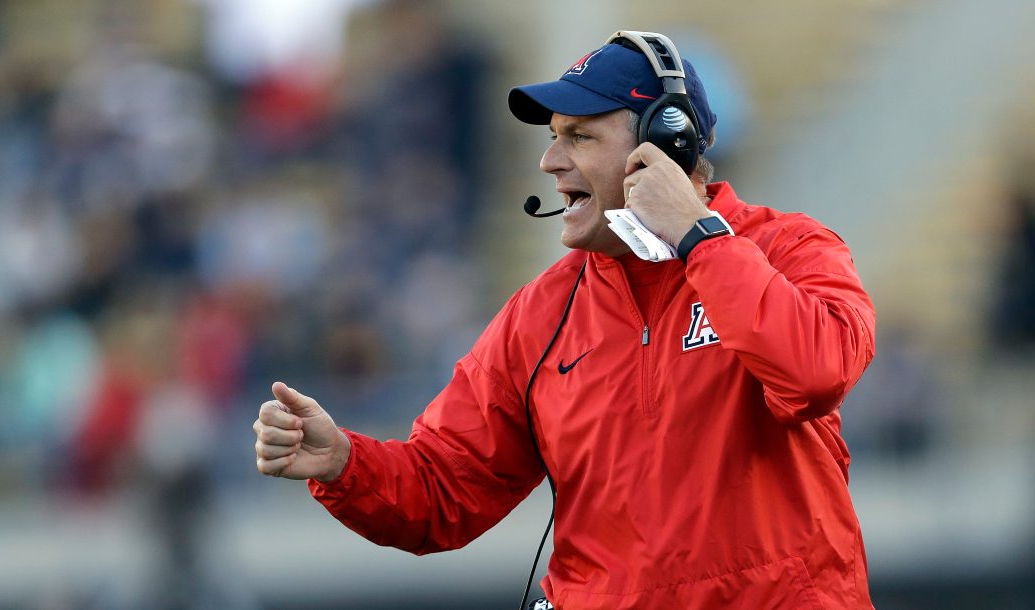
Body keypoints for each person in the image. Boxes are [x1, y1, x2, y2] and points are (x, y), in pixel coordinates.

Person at [253, 30, 876, 610]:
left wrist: (697, 238)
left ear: (665, 146)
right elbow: (446, 488)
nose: (550, 161)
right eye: (554, 136)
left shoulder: (791, 249)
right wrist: (344, 463)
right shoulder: (540, 314)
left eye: (579, 136)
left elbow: (815, 372)